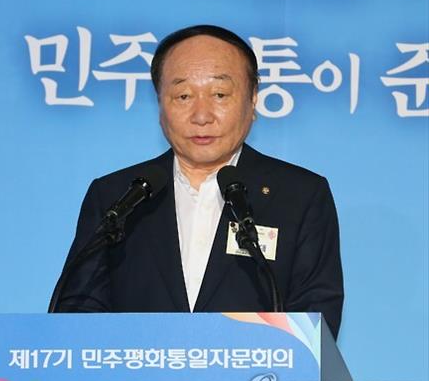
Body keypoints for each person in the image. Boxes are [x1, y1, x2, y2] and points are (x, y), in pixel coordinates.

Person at [51, 25, 344, 339]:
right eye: (183, 96)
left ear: (252, 99)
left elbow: (316, 320)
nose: (201, 115)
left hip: (254, 373)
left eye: (219, 94)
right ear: (160, 104)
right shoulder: (118, 196)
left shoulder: (300, 196)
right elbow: (77, 312)